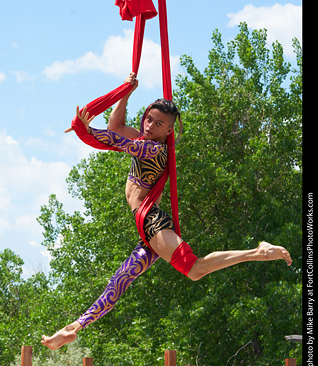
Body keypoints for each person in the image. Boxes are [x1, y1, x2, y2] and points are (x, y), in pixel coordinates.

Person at [41, 73, 292, 350]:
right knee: (121, 279)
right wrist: (126, 91)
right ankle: (75, 327)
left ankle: (258, 252)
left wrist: (85, 129)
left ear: (169, 131)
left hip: (151, 222)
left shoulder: (153, 151)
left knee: (194, 269)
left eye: (158, 123)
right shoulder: (145, 140)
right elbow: (117, 125)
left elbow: (112, 138)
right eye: (148, 118)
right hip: (146, 228)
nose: (149, 125)